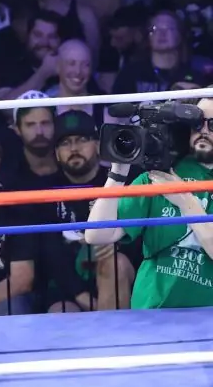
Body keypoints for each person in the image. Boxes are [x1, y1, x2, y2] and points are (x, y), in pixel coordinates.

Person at [84, 98, 213, 309]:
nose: (204, 131)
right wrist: (118, 174)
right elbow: (96, 234)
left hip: (205, 316)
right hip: (151, 311)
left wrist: (186, 201)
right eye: (198, 124)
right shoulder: (160, 175)